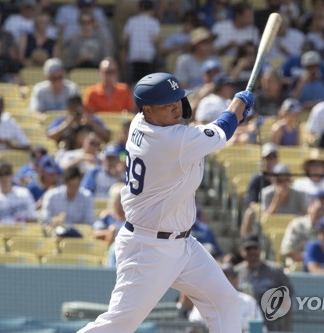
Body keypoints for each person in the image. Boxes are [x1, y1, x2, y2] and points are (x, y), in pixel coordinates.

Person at [78, 72, 253, 332]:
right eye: (166, 104)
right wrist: (238, 105)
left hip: (182, 244)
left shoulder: (141, 122)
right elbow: (221, 130)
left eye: (176, 100)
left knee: (226, 301)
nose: (175, 107)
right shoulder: (171, 141)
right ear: (148, 109)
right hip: (148, 248)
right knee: (119, 324)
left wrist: (236, 113)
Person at [235, 234, 293, 332]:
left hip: (272, 325)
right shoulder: (236, 272)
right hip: (245, 325)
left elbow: (288, 297)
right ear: (242, 252)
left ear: (260, 250)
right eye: (248, 248)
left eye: (255, 248)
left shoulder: (275, 271)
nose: (252, 251)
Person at [189, 263, 263, 333]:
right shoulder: (204, 300)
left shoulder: (249, 302)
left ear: (236, 281)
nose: (223, 281)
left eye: (228, 277)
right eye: (220, 277)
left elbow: (260, 328)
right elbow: (193, 325)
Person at [0, 161, 38, 232]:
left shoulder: (24, 193)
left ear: (12, 174)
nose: (4, 177)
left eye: (7, 173)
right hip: (0, 235)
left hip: (23, 235)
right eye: (0, 174)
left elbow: (33, 218)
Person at [280, 190, 324, 263]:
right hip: (299, 267)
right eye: (322, 202)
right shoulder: (298, 225)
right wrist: (314, 257)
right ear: (312, 203)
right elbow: (287, 251)